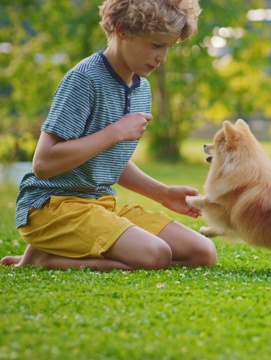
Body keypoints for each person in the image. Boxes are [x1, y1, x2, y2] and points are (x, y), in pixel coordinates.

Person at [1, 0, 217, 270]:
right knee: (156, 255)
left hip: (101, 205)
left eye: (168, 47)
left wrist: (162, 193)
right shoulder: (84, 80)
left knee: (203, 252)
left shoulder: (141, 89)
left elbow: (105, 159)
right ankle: (44, 258)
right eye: (156, 45)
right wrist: (114, 132)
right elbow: (43, 165)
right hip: (52, 208)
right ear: (122, 30)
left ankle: (46, 254)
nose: (162, 57)